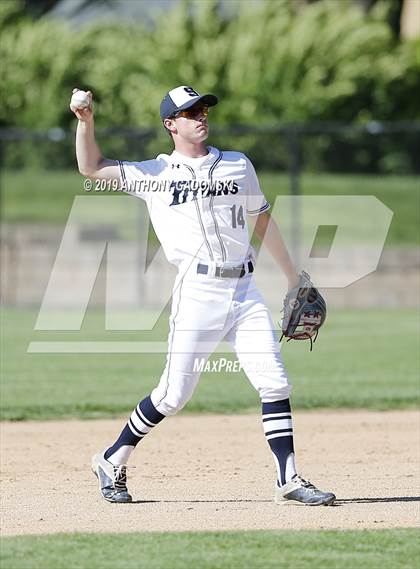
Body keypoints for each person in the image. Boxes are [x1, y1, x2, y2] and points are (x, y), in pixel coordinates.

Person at [71, 85, 335, 506]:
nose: (201, 116)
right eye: (190, 112)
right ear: (170, 124)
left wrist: (293, 277)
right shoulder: (153, 174)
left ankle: (288, 479)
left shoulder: (238, 165)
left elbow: (262, 221)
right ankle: (111, 457)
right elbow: (91, 168)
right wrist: (86, 122)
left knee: (274, 382)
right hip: (198, 292)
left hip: (246, 291)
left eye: (203, 109)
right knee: (174, 395)